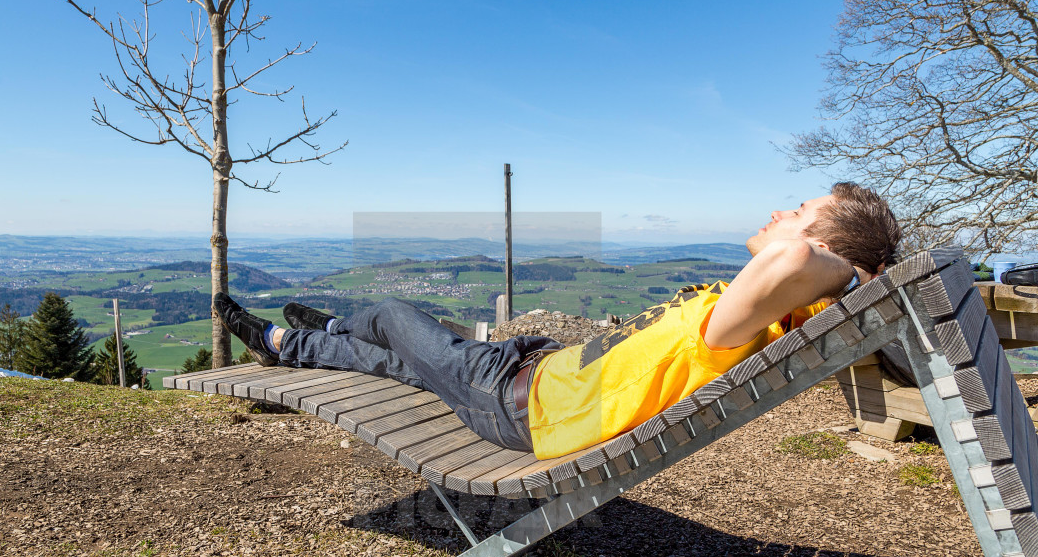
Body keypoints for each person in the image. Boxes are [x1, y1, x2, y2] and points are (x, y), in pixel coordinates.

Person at [215, 182, 902, 460]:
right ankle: (290, 341)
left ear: (824, 251)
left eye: (800, 212)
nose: (781, 214)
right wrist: (839, 254)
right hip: (533, 373)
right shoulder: (767, 315)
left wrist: (845, 259)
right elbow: (796, 261)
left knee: (393, 316)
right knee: (402, 360)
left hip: (519, 402)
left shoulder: (750, 322)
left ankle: (334, 329)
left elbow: (789, 260)